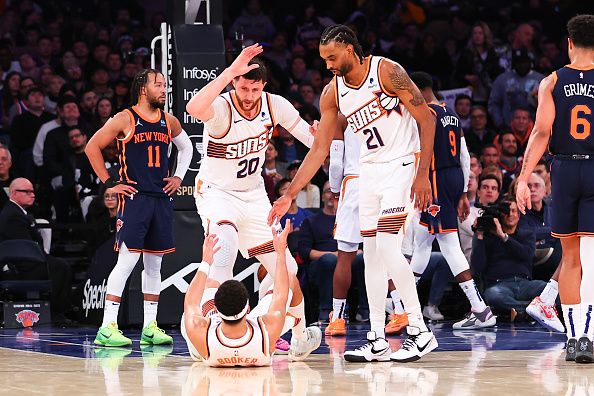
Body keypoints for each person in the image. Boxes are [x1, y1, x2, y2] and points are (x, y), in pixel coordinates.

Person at [269, 25, 437, 363]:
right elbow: (319, 149)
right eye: (324, 59)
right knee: (372, 254)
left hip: (402, 165)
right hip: (369, 172)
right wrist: (290, 194)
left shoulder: (387, 71)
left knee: (388, 246)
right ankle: (376, 337)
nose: (328, 64)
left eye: (332, 57)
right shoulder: (333, 94)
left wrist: (423, 174)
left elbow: (427, 118)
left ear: (348, 48)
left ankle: (419, 331)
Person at [185, 45, 319, 360]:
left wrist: (328, 136)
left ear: (264, 86)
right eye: (243, 86)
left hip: (254, 194)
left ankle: (296, 336)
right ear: (235, 84)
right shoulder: (221, 107)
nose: (248, 94)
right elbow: (193, 107)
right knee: (224, 251)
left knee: (286, 267)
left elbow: (312, 140)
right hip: (217, 193)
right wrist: (230, 71)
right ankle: (206, 332)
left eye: (254, 88)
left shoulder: (276, 106)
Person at [85, 69, 192, 347]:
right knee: (128, 261)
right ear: (143, 89)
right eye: (158, 85)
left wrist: (179, 176)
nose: (164, 89)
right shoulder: (125, 118)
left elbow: (188, 147)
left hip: (160, 199)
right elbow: (92, 147)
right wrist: (110, 182)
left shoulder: (169, 121)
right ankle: (107, 326)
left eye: (165, 85)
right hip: (135, 198)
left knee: (154, 265)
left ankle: (149, 327)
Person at [516, 15, 594, 363]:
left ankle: (574, 338)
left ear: (569, 42)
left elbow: (541, 132)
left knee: (571, 259)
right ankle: (590, 339)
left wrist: (522, 176)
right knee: (592, 261)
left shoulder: (551, 81)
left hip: (563, 168)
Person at [403, 71, 495, 330]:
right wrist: (463, 192)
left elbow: (420, 153)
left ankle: (480, 309)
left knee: (448, 244)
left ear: (417, 90)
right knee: (422, 242)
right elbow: (465, 156)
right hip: (453, 176)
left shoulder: (426, 115)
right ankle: (399, 303)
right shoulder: (452, 115)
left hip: (436, 180)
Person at [181, 220, 322, 367]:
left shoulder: (200, 330)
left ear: (218, 309)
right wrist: (280, 254)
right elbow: (282, 292)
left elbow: (190, 301)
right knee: (291, 280)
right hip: (257, 340)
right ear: (248, 309)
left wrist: (205, 262)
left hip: (208, 345)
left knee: (204, 292)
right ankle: (301, 340)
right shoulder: (268, 328)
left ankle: (196, 349)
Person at [0, 178, 73, 325]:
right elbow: (23, 248)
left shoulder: (19, 212)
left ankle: (59, 310)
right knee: (61, 267)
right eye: (27, 191)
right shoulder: (13, 215)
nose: (32, 194)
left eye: (33, 191)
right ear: (14, 193)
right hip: (21, 268)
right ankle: (57, 313)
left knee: (58, 265)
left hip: (27, 262)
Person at [324, 113, 364, 336]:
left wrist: (337, 191)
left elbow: (336, 162)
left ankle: (337, 317)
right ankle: (398, 310)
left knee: (345, 256)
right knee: (386, 253)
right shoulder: (386, 103)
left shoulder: (343, 116)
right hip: (382, 180)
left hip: (354, 182)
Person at [471, 200, 545, 321]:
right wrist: (479, 236)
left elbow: (526, 255)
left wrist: (503, 236)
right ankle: (531, 309)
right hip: (499, 284)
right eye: (506, 211)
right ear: (500, 215)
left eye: (513, 211)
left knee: (553, 291)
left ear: (519, 215)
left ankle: (519, 311)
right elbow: (477, 267)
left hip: (525, 283)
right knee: (493, 295)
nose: (510, 214)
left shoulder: (526, 234)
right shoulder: (488, 236)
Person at [520, 173, 564, 333]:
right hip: (530, 263)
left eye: (536, 185)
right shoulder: (517, 211)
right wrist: (551, 233)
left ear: (545, 191)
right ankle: (546, 301)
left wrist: (549, 234)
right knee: (570, 244)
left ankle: (547, 300)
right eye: (528, 186)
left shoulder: (553, 208)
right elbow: (527, 236)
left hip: (554, 259)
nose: (532, 189)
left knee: (569, 246)